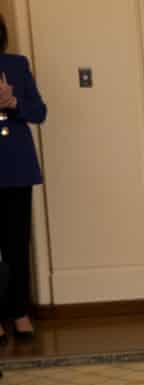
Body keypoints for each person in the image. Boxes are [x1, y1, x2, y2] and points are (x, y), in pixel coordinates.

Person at [0, 13, 47, 343]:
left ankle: (19, 312)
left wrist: (12, 100)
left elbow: (39, 112)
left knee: (17, 245)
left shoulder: (16, 64)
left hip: (15, 167)